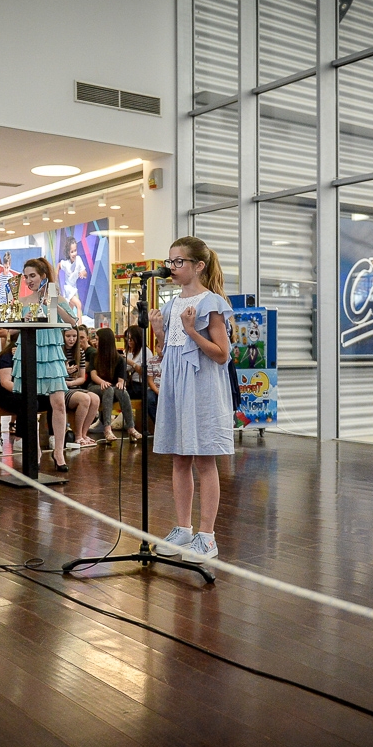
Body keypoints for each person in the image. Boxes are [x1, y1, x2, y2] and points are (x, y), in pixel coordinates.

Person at [150, 236, 235, 563]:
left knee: (204, 460)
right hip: (176, 387)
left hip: (202, 389)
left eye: (178, 261)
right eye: (170, 261)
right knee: (179, 458)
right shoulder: (172, 305)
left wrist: (192, 331)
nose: (172, 267)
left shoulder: (211, 303)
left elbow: (222, 354)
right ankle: (183, 528)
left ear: (198, 266)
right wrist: (160, 333)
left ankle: (207, 536)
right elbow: (168, 354)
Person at [13, 258, 74, 471]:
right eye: (26, 276)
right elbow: (10, 329)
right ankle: (35, 450)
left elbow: (72, 322)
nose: (29, 280)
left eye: (33, 275)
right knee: (30, 405)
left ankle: (59, 451)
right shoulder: (22, 301)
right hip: (28, 351)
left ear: (43, 276)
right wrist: (24, 320)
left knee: (59, 403)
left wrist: (52, 303)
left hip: (51, 353)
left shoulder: (55, 297)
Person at [87, 327, 141, 444]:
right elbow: (93, 375)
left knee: (122, 391)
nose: (96, 342)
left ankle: (131, 427)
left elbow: (121, 379)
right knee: (109, 389)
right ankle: (107, 428)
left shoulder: (119, 359)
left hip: (111, 387)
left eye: (98, 339)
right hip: (95, 386)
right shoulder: (94, 356)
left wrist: (121, 384)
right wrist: (102, 382)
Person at [62, 326, 99, 448]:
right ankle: (78, 436)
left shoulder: (80, 352)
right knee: (85, 399)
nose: (71, 339)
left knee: (95, 399)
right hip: (61, 388)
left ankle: (84, 434)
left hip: (73, 386)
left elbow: (82, 377)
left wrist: (71, 383)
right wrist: (65, 373)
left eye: (74, 336)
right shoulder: (58, 351)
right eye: (68, 336)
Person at [123, 324, 157, 420]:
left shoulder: (145, 351)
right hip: (130, 383)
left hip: (141, 385)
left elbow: (146, 373)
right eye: (127, 338)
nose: (129, 341)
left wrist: (131, 363)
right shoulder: (127, 351)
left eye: (131, 339)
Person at [58, 238, 88, 323]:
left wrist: (82, 273)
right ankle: (80, 326)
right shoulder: (65, 263)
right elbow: (59, 265)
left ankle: (68, 324)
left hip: (74, 288)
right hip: (68, 289)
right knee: (78, 304)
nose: (74, 253)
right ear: (68, 253)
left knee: (69, 310)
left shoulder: (78, 259)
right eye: (72, 252)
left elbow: (85, 272)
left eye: (75, 251)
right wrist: (55, 278)